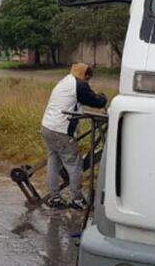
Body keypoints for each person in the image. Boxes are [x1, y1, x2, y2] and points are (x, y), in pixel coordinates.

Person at [41, 63, 108, 209]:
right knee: (74, 164)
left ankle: (55, 198)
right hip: (61, 130)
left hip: (47, 127)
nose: (88, 82)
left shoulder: (65, 81)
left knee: (54, 162)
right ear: (85, 76)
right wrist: (104, 98)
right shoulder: (79, 85)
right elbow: (94, 101)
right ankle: (77, 199)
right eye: (88, 79)